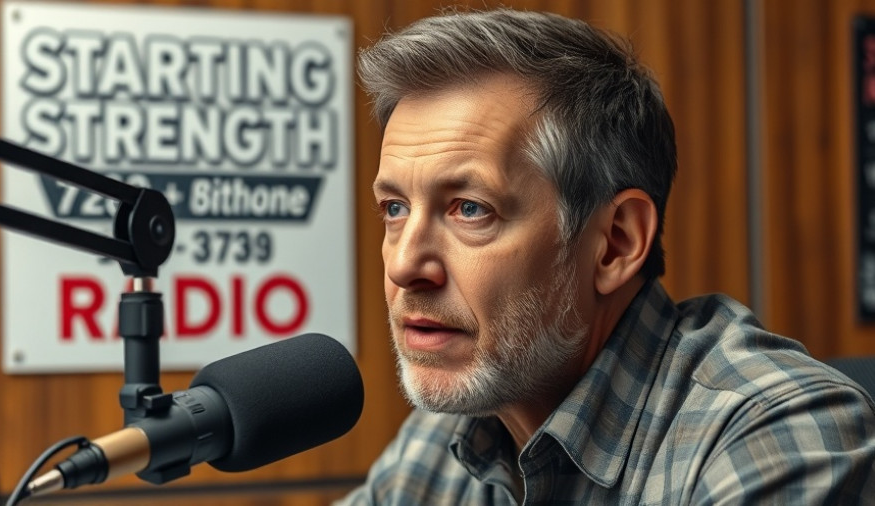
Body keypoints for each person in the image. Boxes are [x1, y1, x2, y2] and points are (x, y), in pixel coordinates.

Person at [339, 8, 875, 505]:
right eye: (394, 208)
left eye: (470, 209)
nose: (404, 265)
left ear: (615, 243)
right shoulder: (447, 436)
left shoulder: (776, 430)